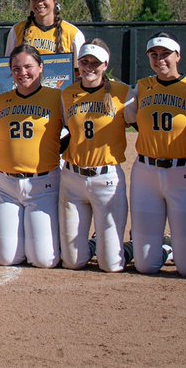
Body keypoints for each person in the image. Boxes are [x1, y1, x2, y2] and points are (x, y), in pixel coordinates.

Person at [124, 32, 186, 277]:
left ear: (178, 56)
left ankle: (175, 249)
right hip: (146, 173)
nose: (160, 59)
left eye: (165, 54)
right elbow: (129, 119)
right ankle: (167, 248)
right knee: (145, 266)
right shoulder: (142, 87)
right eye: (154, 55)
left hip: (184, 173)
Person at [59, 40, 132, 272]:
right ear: (77, 64)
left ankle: (144, 248)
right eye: (84, 62)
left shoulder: (123, 93)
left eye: (95, 63)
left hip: (106, 179)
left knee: (111, 265)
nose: (89, 67)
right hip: (72, 179)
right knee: (72, 262)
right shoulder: (67, 93)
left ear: (105, 65)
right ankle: (93, 244)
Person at [0, 45, 63, 268]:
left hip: (42, 183)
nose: (22, 73)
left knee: (44, 260)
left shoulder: (57, 98)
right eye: (16, 68)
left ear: (41, 68)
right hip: (6, 185)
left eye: (28, 67)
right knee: (4, 259)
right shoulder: (1, 101)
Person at [3, 0, 84, 58]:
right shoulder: (17, 30)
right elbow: (7, 68)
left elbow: (80, 69)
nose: (39, 3)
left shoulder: (73, 34)